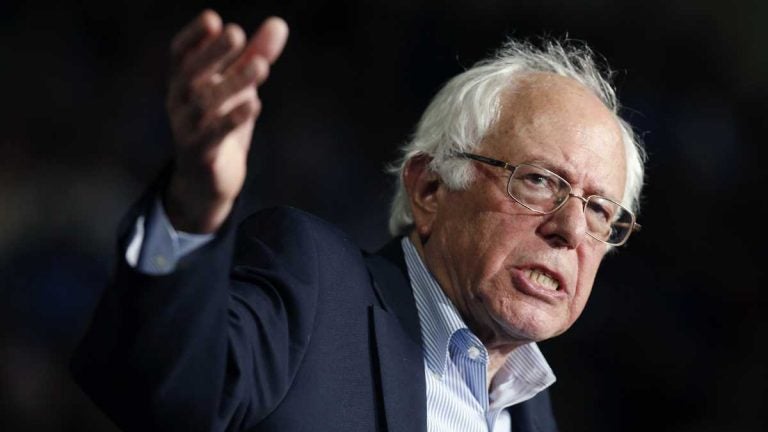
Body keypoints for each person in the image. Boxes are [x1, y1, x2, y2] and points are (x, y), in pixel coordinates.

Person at [72, 9, 645, 432]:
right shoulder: (314, 285)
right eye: (540, 180)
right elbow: (161, 393)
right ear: (429, 188)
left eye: (600, 210)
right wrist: (195, 204)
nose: (571, 230)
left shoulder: (532, 412)